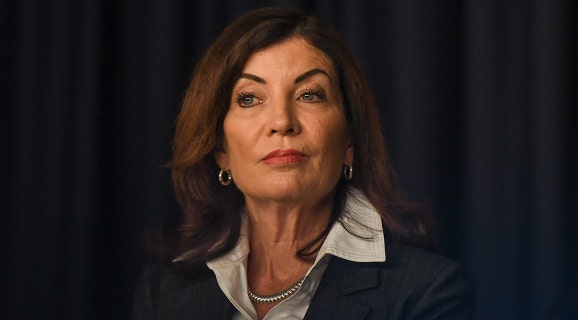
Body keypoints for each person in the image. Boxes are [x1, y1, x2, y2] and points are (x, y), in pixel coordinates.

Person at [132, 7, 474, 320]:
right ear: (220, 150)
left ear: (349, 143)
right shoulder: (164, 290)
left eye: (309, 94)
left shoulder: (428, 291)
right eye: (249, 99)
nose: (282, 121)